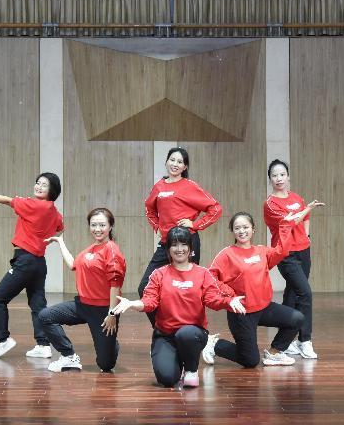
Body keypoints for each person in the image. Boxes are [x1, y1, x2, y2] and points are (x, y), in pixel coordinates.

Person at [112, 227, 245, 389]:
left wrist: (228, 301)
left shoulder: (203, 273)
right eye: (174, 245)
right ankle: (171, 357)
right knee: (167, 379)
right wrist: (133, 304)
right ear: (168, 249)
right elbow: (150, 301)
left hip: (193, 333)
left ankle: (191, 370)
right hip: (165, 335)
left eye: (183, 244)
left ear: (190, 248)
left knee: (186, 334)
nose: (179, 249)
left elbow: (212, 299)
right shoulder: (159, 274)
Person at [0, 173, 63, 359]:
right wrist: (40, 236)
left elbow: (7, 200)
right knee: (38, 304)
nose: (38, 186)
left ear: (52, 190)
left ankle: (3, 340)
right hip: (39, 262)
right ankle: (43, 345)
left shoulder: (34, 205)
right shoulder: (53, 211)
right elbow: (60, 227)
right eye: (38, 183)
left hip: (25, 260)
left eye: (44, 185)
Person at [204, 211, 304, 368]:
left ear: (253, 229)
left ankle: (274, 353)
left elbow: (282, 251)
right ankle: (214, 344)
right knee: (250, 361)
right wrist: (229, 295)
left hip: (263, 308)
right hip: (241, 313)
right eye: (237, 228)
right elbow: (210, 276)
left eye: (245, 227)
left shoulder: (261, 251)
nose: (242, 231)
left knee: (297, 318)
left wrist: (285, 226)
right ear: (233, 231)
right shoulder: (227, 254)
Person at [138, 147, 221, 324]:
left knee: (190, 290)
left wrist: (195, 224)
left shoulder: (190, 186)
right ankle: (163, 328)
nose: (175, 164)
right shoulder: (159, 186)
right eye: (172, 160)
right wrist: (157, 226)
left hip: (187, 242)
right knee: (144, 287)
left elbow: (215, 209)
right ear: (166, 162)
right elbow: (149, 209)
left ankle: (196, 330)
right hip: (166, 244)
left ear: (185, 167)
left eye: (180, 162)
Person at [38, 208, 126, 373]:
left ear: (110, 226)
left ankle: (111, 344)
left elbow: (115, 285)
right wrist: (60, 242)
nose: (97, 229)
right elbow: (73, 264)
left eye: (102, 225)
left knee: (105, 365)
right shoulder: (90, 249)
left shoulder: (112, 250)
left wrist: (112, 315)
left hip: (103, 311)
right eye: (93, 225)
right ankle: (68, 356)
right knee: (45, 316)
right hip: (83, 305)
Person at [263, 159, 324, 359]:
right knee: (305, 293)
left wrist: (307, 235)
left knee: (292, 293)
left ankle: (287, 342)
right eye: (274, 175)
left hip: (303, 250)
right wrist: (309, 208)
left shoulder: (297, 197)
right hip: (286, 253)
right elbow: (291, 221)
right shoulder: (270, 204)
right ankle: (304, 340)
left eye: (282, 174)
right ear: (270, 179)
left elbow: (304, 219)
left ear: (288, 176)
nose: (279, 178)